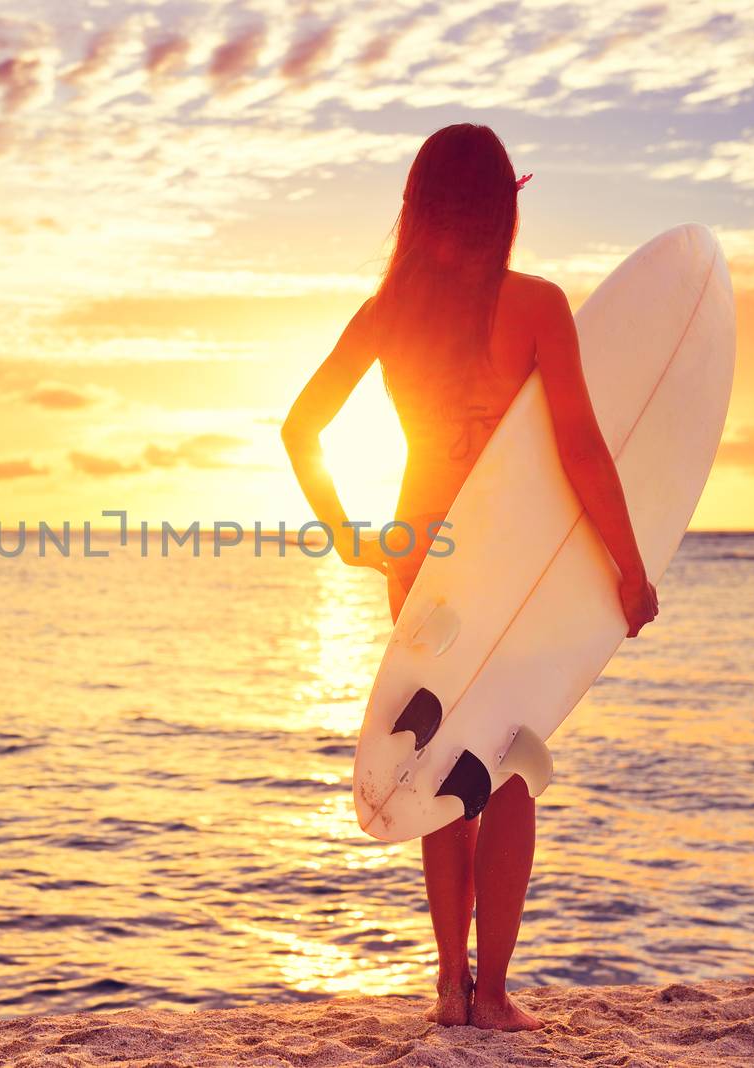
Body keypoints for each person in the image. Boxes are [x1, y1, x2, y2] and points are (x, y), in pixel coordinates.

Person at [280, 123, 659, 1031]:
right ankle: (492, 995)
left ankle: (449, 986)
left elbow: (301, 429)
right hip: (514, 564)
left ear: (415, 211)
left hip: (424, 559)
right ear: (505, 209)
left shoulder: (386, 316)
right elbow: (578, 448)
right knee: (513, 765)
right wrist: (630, 565)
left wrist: (347, 535)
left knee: (444, 768)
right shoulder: (534, 306)